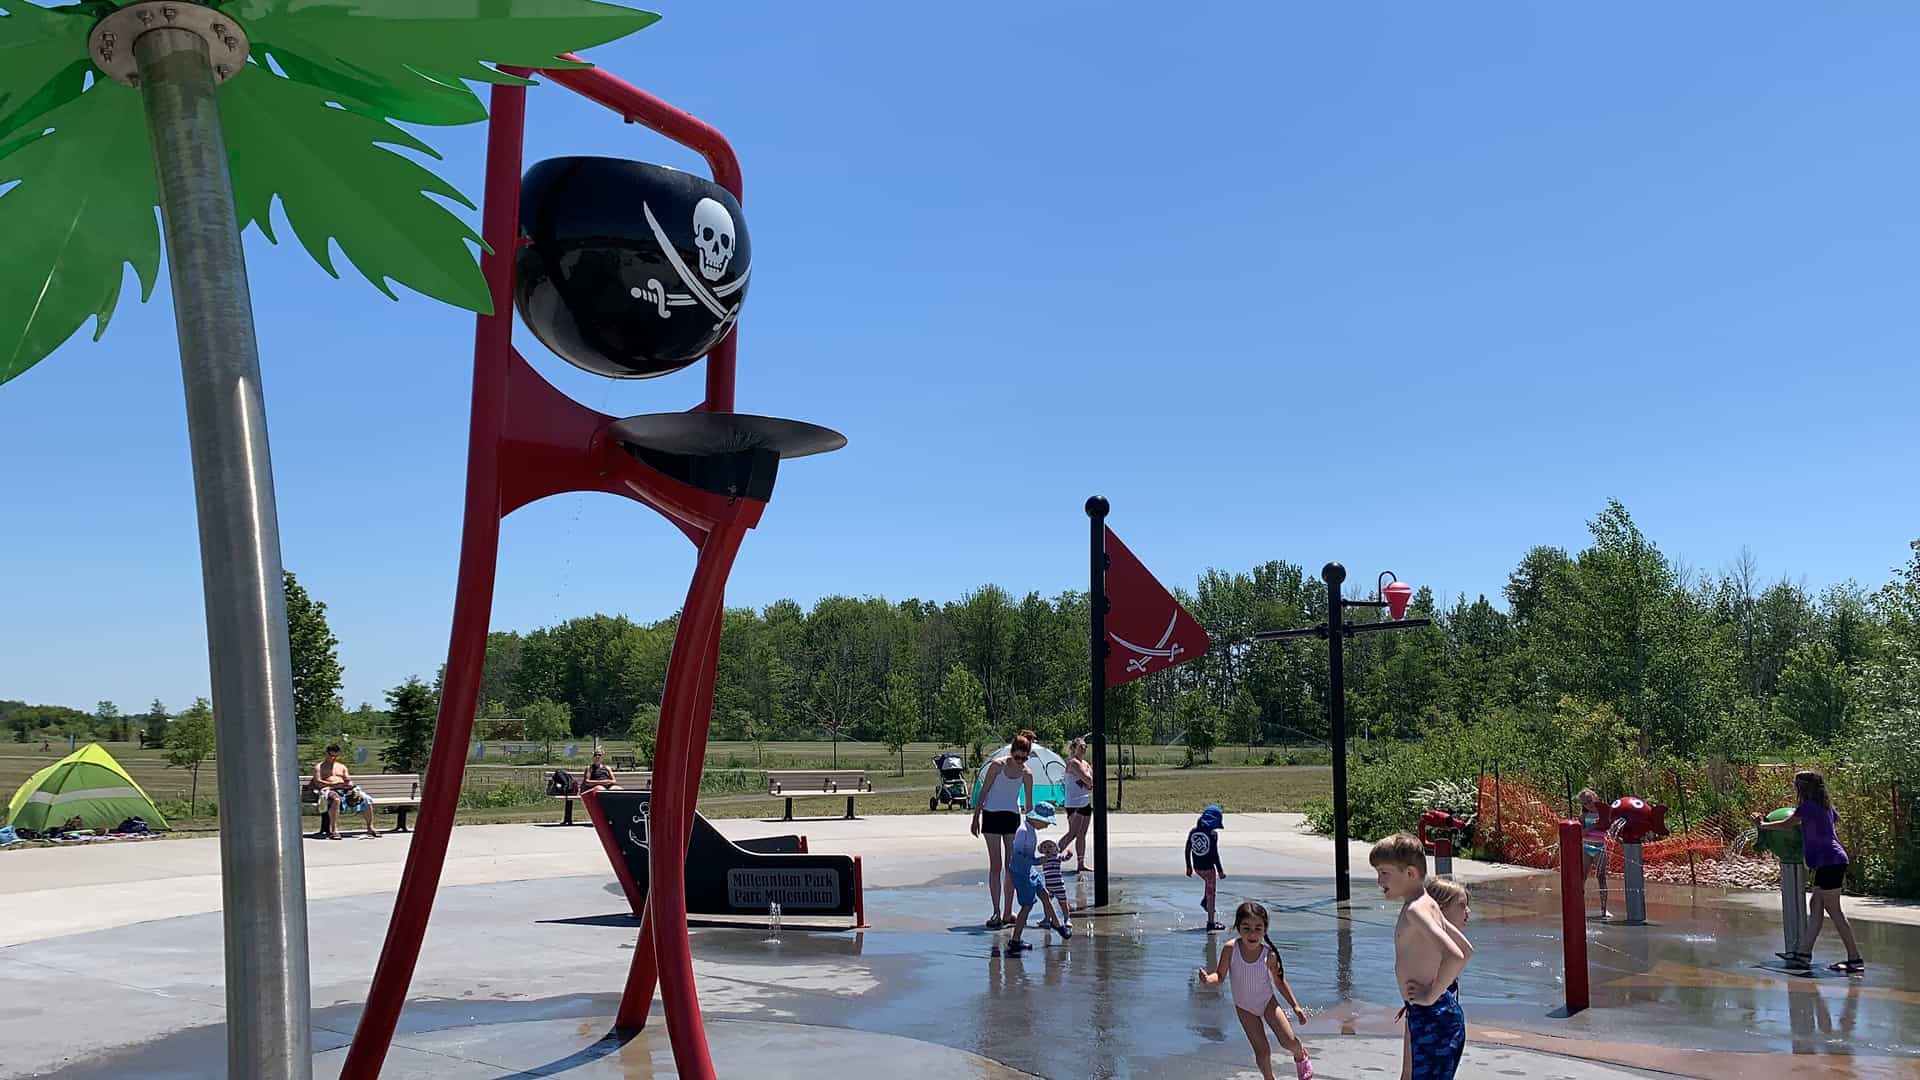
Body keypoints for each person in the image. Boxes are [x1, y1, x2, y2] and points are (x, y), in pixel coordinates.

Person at [1372, 832, 1470, 1080]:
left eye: (1384, 873)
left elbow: (1456, 955)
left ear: (1410, 873)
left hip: (1432, 1015)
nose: (1379, 880)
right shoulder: (1427, 903)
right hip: (1435, 1014)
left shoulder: (1417, 910)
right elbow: (1467, 950)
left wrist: (1430, 995)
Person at [1756, 770, 1864, 974]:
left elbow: (1788, 823)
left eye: (1797, 785)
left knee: (1834, 910)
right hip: (1828, 861)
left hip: (1830, 861)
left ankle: (1855, 959)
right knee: (1816, 904)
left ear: (1803, 788)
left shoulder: (1808, 807)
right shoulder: (1825, 807)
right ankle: (1803, 954)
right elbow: (1833, 821)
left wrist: (1763, 825)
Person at [1197, 900, 1314, 1080]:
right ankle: (1269, 1078)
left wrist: (1295, 1006)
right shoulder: (1231, 949)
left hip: (1268, 1003)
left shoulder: (1269, 954)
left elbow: (1280, 982)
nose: (1252, 933)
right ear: (1238, 928)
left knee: (1287, 1041)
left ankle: (1300, 1055)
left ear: (1265, 929)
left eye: (1258, 928)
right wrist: (1208, 979)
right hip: (1245, 1008)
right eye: (1246, 928)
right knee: (1262, 1051)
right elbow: (1220, 976)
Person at [1397, 879, 1471, 1079]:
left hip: (1430, 1011)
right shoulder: (1430, 943)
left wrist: (1431, 994)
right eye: (1462, 905)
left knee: (1412, 1071)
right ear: (1440, 908)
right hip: (1428, 1012)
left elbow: (1463, 953)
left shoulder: (1438, 944)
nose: (1468, 911)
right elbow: (1465, 952)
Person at [971, 730, 1037, 928]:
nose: (1020, 761)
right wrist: (975, 817)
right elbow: (983, 792)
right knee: (996, 865)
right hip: (991, 816)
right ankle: (996, 911)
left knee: (1011, 867)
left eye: (1024, 758)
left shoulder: (1027, 773)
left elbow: (1030, 805)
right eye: (1017, 757)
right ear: (1011, 751)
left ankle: (1008, 911)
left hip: (1011, 818)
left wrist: (1031, 829)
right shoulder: (997, 766)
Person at [1004, 802, 1070, 951]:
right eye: (1046, 823)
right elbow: (1017, 856)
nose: (1047, 826)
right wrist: (1037, 860)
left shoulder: (1030, 829)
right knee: (1027, 905)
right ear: (1038, 819)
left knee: (1044, 895)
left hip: (1029, 869)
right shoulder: (1023, 831)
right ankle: (1015, 940)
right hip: (1021, 872)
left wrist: (1035, 862)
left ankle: (1057, 924)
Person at [312, 744, 378, 839]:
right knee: (336, 800)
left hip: (344, 789)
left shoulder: (341, 767)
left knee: (366, 798)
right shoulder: (320, 767)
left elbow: (348, 779)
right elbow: (318, 782)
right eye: (331, 755)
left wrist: (349, 783)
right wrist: (334, 785)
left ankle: (370, 827)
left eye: (336, 756)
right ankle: (334, 830)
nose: (333, 758)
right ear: (326, 754)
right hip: (328, 790)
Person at [1186, 803, 1227, 930]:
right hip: (1209, 869)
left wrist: (1189, 866)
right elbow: (1214, 854)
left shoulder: (1193, 832)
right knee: (1211, 893)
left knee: (1208, 886)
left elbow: (1187, 849)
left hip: (1197, 867)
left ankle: (1205, 901)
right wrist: (1220, 871)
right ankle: (1210, 923)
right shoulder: (1213, 835)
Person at [1058, 737, 1095, 872]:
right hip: (1073, 803)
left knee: (1082, 834)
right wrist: (1088, 781)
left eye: (1085, 746)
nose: (1084, 748)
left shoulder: (1085, 763)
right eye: (1081, 746)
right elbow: (1088, 780)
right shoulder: (1073, 763)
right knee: (1073, 832)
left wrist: (1088, 781)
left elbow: (1091, 782)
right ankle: (1052, 856)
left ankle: (1081, 863)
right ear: (1074, 748)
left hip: (1085, 801)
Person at [1578, 789, 1612, 920]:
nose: (1589, 805)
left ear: (1596, 798)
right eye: (1585, 803)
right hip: (1586, 847)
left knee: (1601, 877)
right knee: (1583, 877)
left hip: (1600, 847)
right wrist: (1593, 827)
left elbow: (1610, 826)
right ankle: (1579, 906)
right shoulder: (1584, 817)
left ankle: (1604, 909)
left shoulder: (1603, 814)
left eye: (1590, 801)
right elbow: (1580, 833)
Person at [1037, 838, 1072, 927]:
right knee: (1047, 903)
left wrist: (1069, 855)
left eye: (1050, 846)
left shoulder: (1057, 857)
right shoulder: (1043, 859)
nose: (1047, 849)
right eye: (1044, 847)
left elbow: (1065, 858)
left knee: (1063, 904)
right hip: (1049, 887)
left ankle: (1067, 919)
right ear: (1041, 850)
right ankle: (1047, 919)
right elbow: (1035, 862)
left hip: (1059, 886)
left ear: (1055, 849)